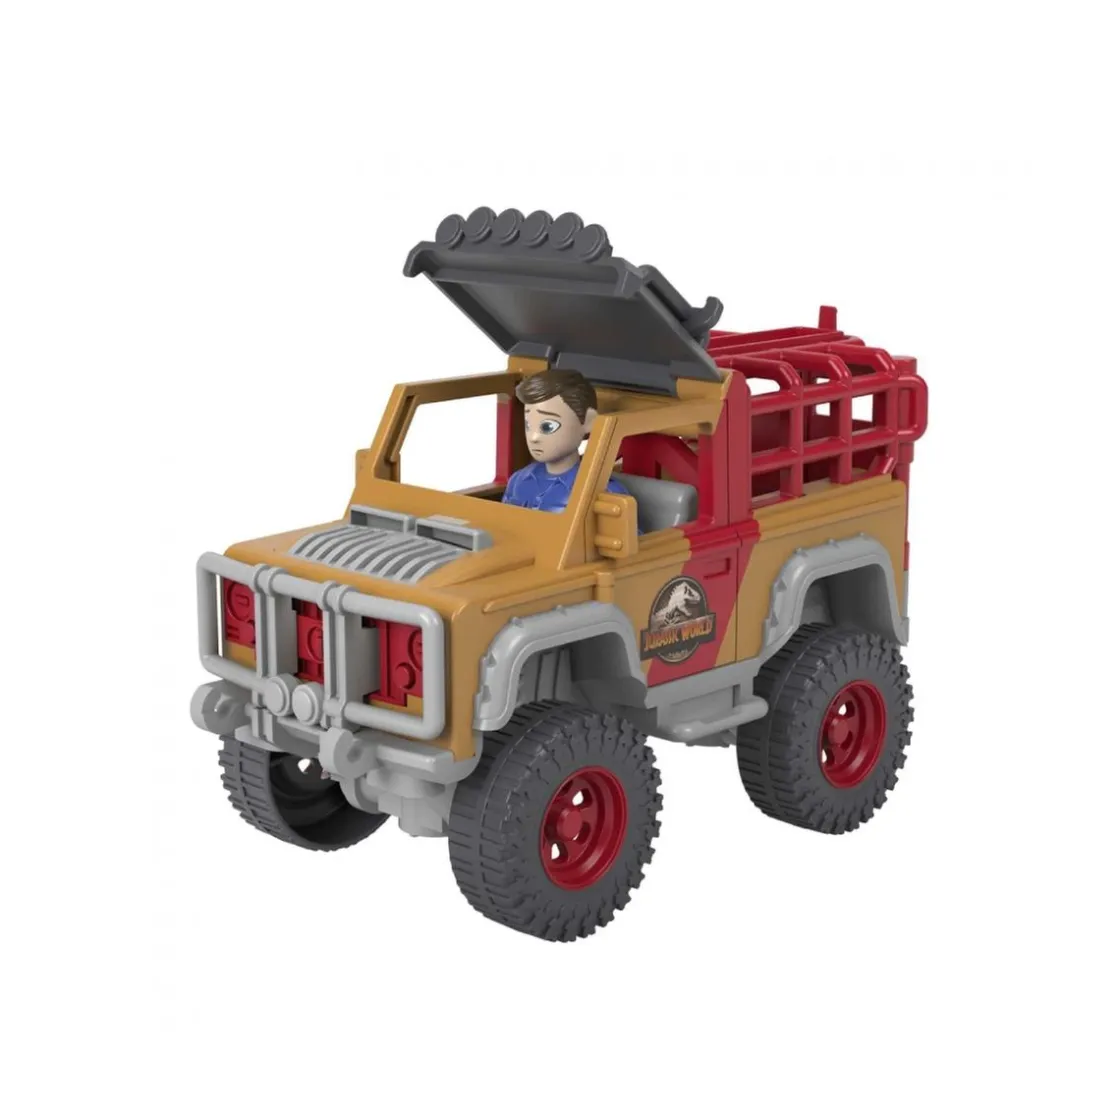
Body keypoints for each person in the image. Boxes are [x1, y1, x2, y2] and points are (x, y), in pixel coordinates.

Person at [502, 369, 629, 513]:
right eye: (528, 425)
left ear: (588, 421)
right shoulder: (519, 480)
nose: (534, 437)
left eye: (548, 426)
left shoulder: (604, 492)